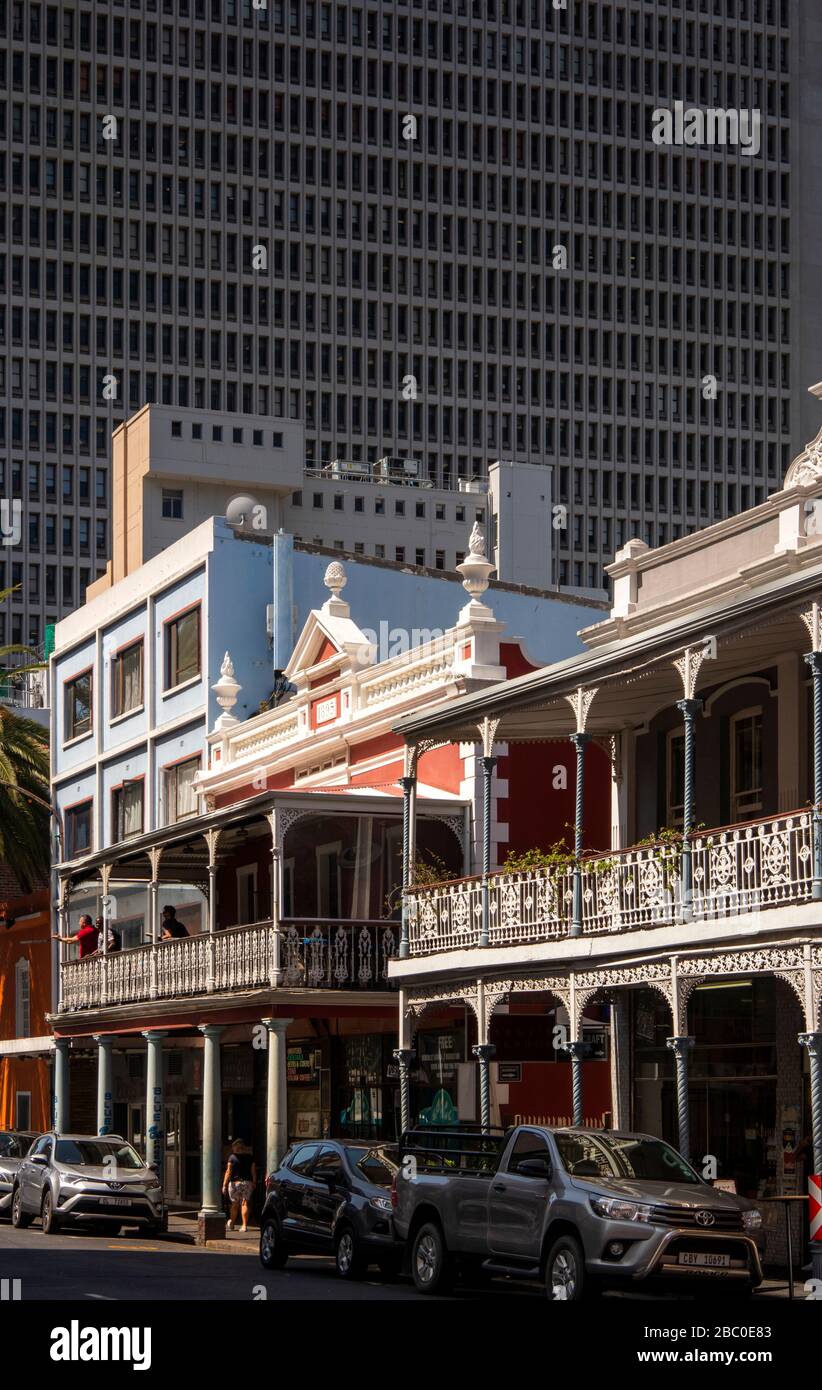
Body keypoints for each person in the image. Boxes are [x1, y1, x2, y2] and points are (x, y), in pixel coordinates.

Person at [222, 1139, 257, 1233]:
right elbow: (253, 1171)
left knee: (234, 1204)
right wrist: (254, 1182)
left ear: (234, 1148)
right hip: (247, 1183)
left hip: (234, 1183)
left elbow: (228, 1172)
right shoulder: (250, 1157)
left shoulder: (232, 1158)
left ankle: (232, 1223)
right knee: (245, 1203)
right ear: (244, 1148)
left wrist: (224, 1185)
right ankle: (244, 1226)